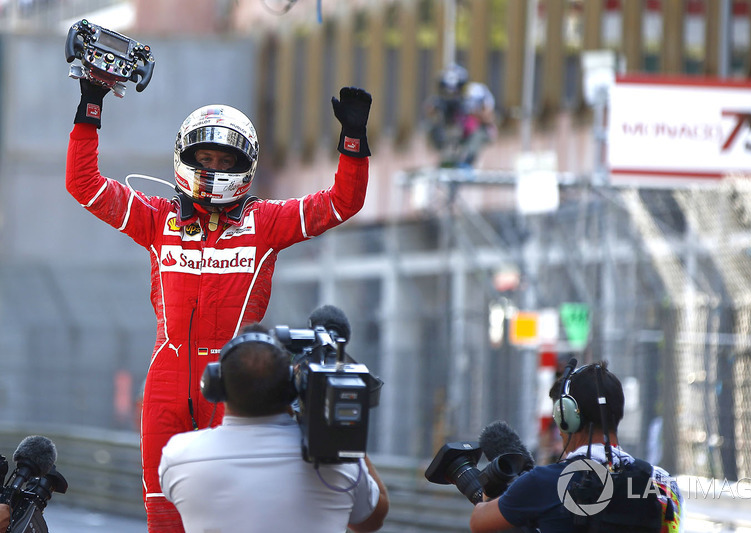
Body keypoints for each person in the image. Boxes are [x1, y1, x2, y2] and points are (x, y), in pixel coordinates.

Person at [65, 79, 372, 532]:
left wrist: (353, 143)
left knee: (233, 515)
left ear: (243, 166)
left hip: (238, 384)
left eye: (224, 160)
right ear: (185, 160)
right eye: (204, 159)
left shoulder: (265, 222)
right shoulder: (156, 218)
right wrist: (91, 104)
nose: (212, 167)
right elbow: (83, 184)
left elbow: (343, 203)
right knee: (163, 516)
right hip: (167, 378)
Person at [158, 323, 389, 533]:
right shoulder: (335, 460)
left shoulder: (179, 457)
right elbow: (371, 521)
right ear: (291, 387)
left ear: (215, 386)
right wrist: (340, 432)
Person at [470, 361, 683, 533]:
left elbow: (479, 522)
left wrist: (494, 483)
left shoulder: (542, 483)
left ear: (567, 419)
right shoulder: (661, 483)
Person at [425, 63, 496, 168]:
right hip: (454, 134)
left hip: (471, 134)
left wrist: (471, 112)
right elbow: (430, 112)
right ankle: (447, 161)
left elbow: (489, 118)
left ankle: (467, 162)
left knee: (478, 133)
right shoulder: (441, 100)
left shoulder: (474, 95)